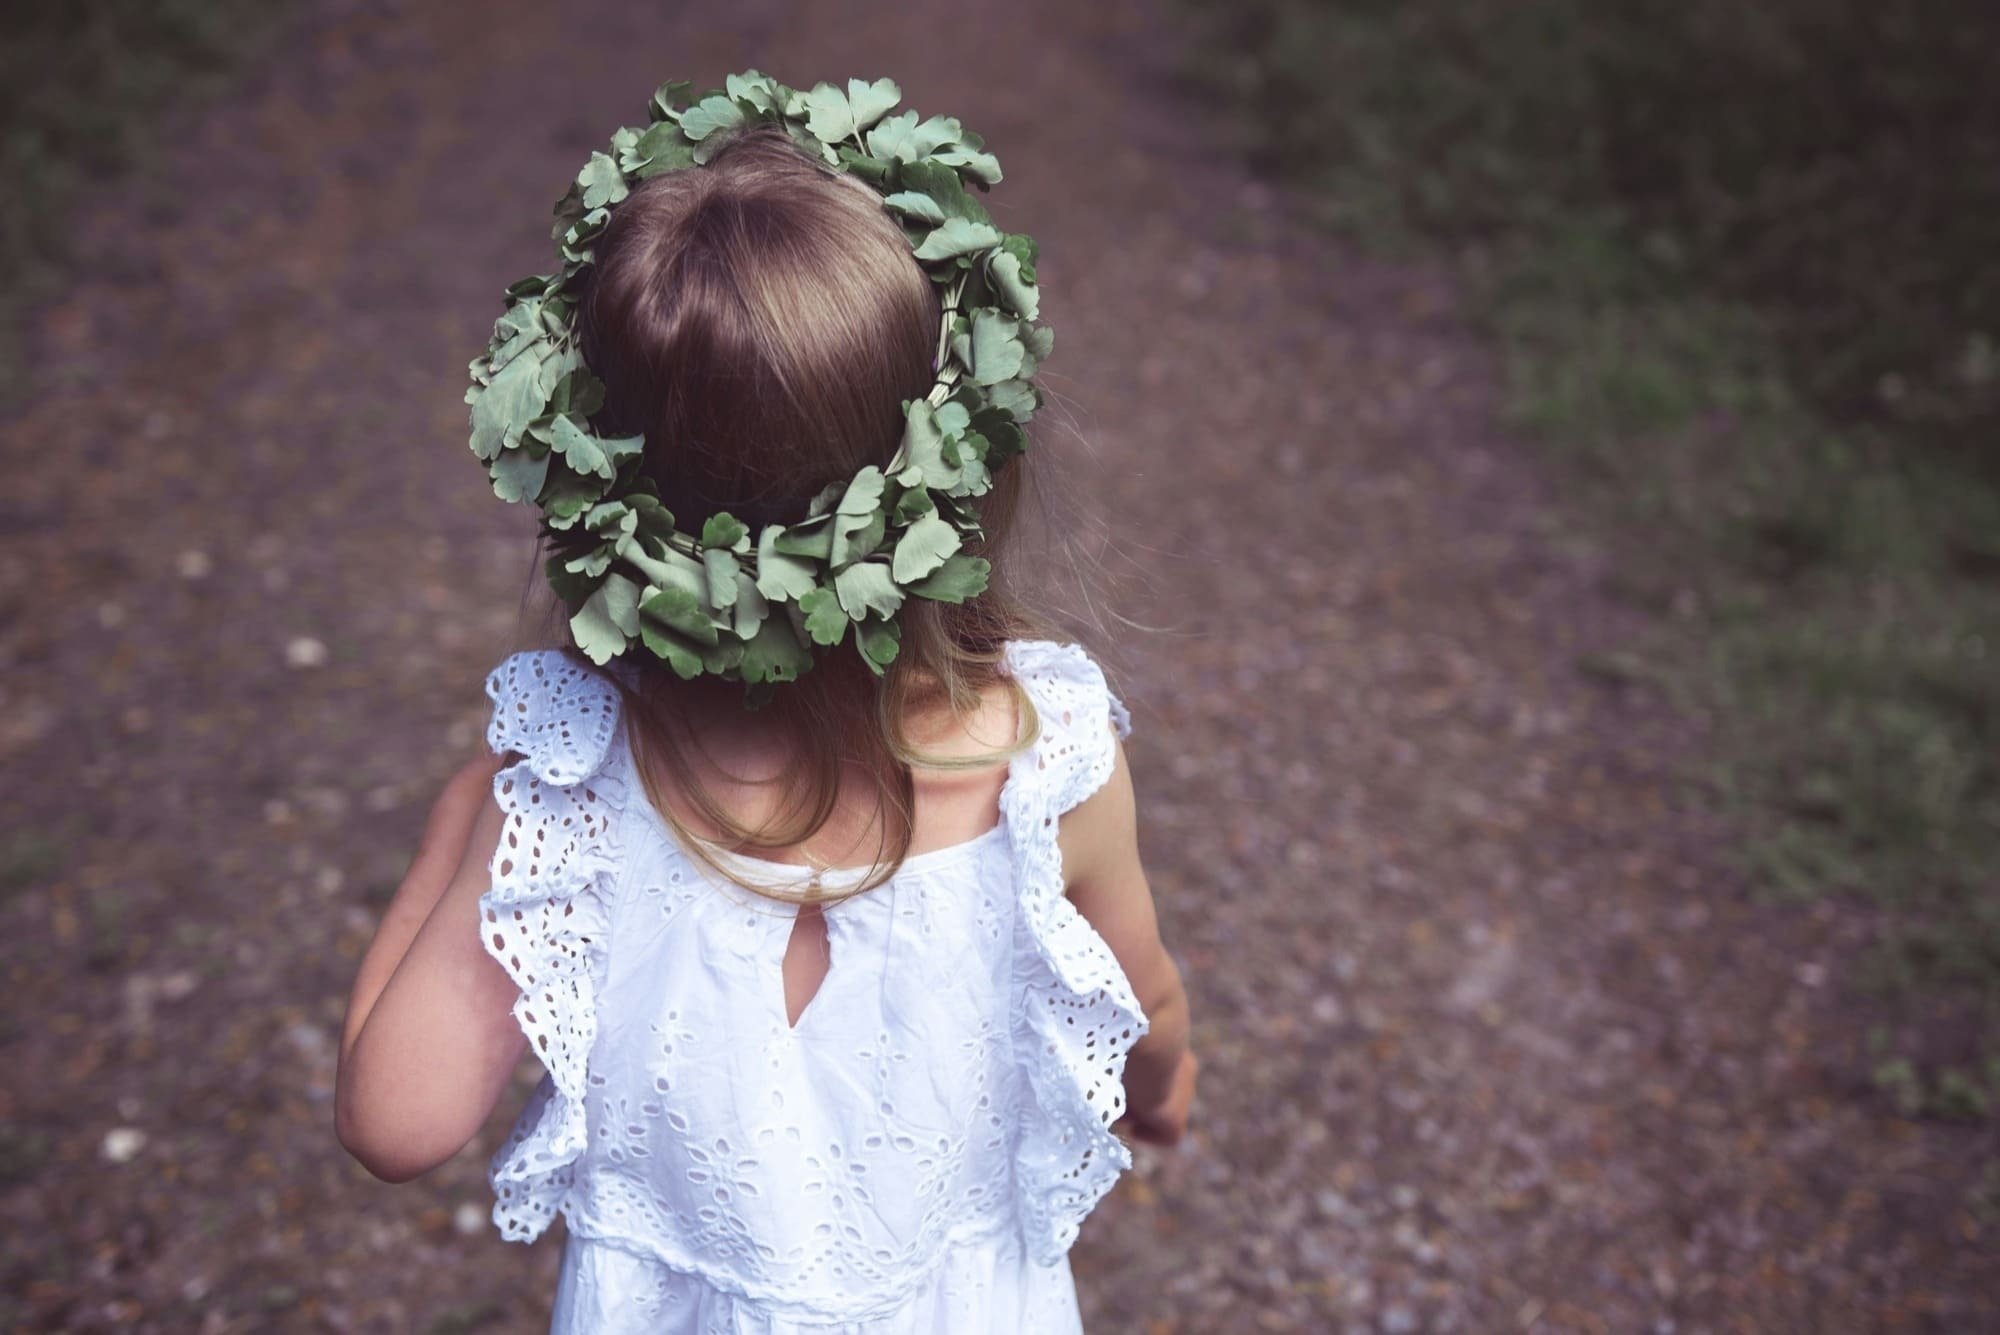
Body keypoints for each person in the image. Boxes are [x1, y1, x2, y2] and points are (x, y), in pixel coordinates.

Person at [334, 74, 1195, 1333]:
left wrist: (461, 835)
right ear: (954, 469)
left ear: (597, 499)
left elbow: (395, 1121)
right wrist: (1162, 1090)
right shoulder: (1042, 758)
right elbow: (1144, 1006)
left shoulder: (564, 801)